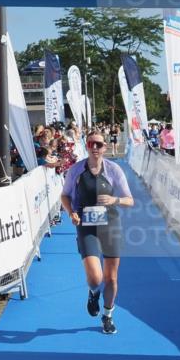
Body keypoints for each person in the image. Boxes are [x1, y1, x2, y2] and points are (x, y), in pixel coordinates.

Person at [60, 131, 134, 335]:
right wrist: (71, 212)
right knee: (95, 277)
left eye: (99, 144)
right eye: (91, 143)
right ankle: (93, 293)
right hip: (86, 225)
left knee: (111, 278)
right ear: (87, 145)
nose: (95, 148)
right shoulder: (76, 170)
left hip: (110, 225)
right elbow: (65, 195)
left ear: (105, 147)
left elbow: (130, 200)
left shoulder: (113, 170)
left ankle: (108, 316)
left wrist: (115, 200)